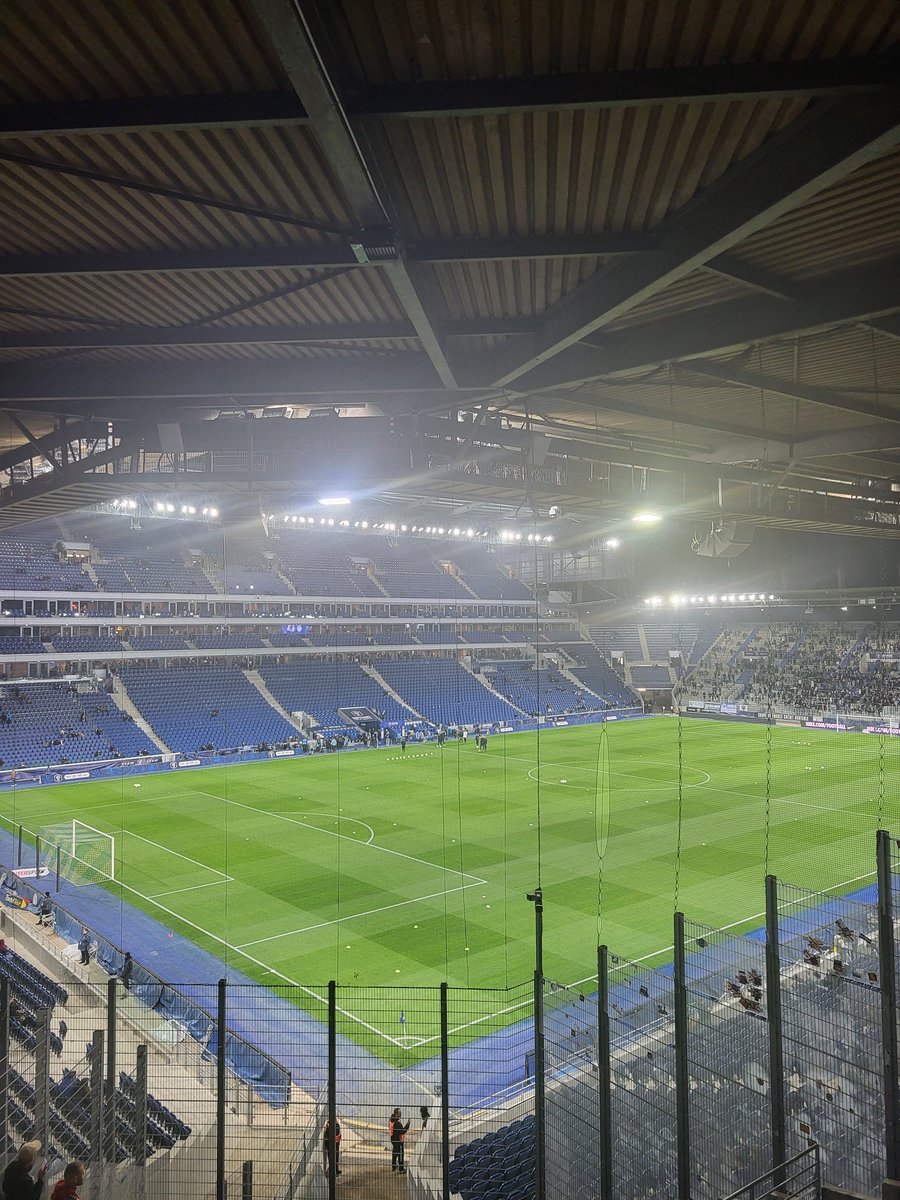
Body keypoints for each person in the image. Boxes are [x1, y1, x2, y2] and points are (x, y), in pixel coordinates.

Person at [389, 1108, 410, 1173]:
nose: (401, 1114)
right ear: (396, 1114)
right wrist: (407, 1125)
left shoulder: (392, 1121)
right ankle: (401, 1169)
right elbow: (402, 1132)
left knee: (394, 1154)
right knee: (400, 1154)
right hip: (399, 1141)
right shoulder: (397, 1123)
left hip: (394, 1140)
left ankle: (394, 1167)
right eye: (399, 1112)